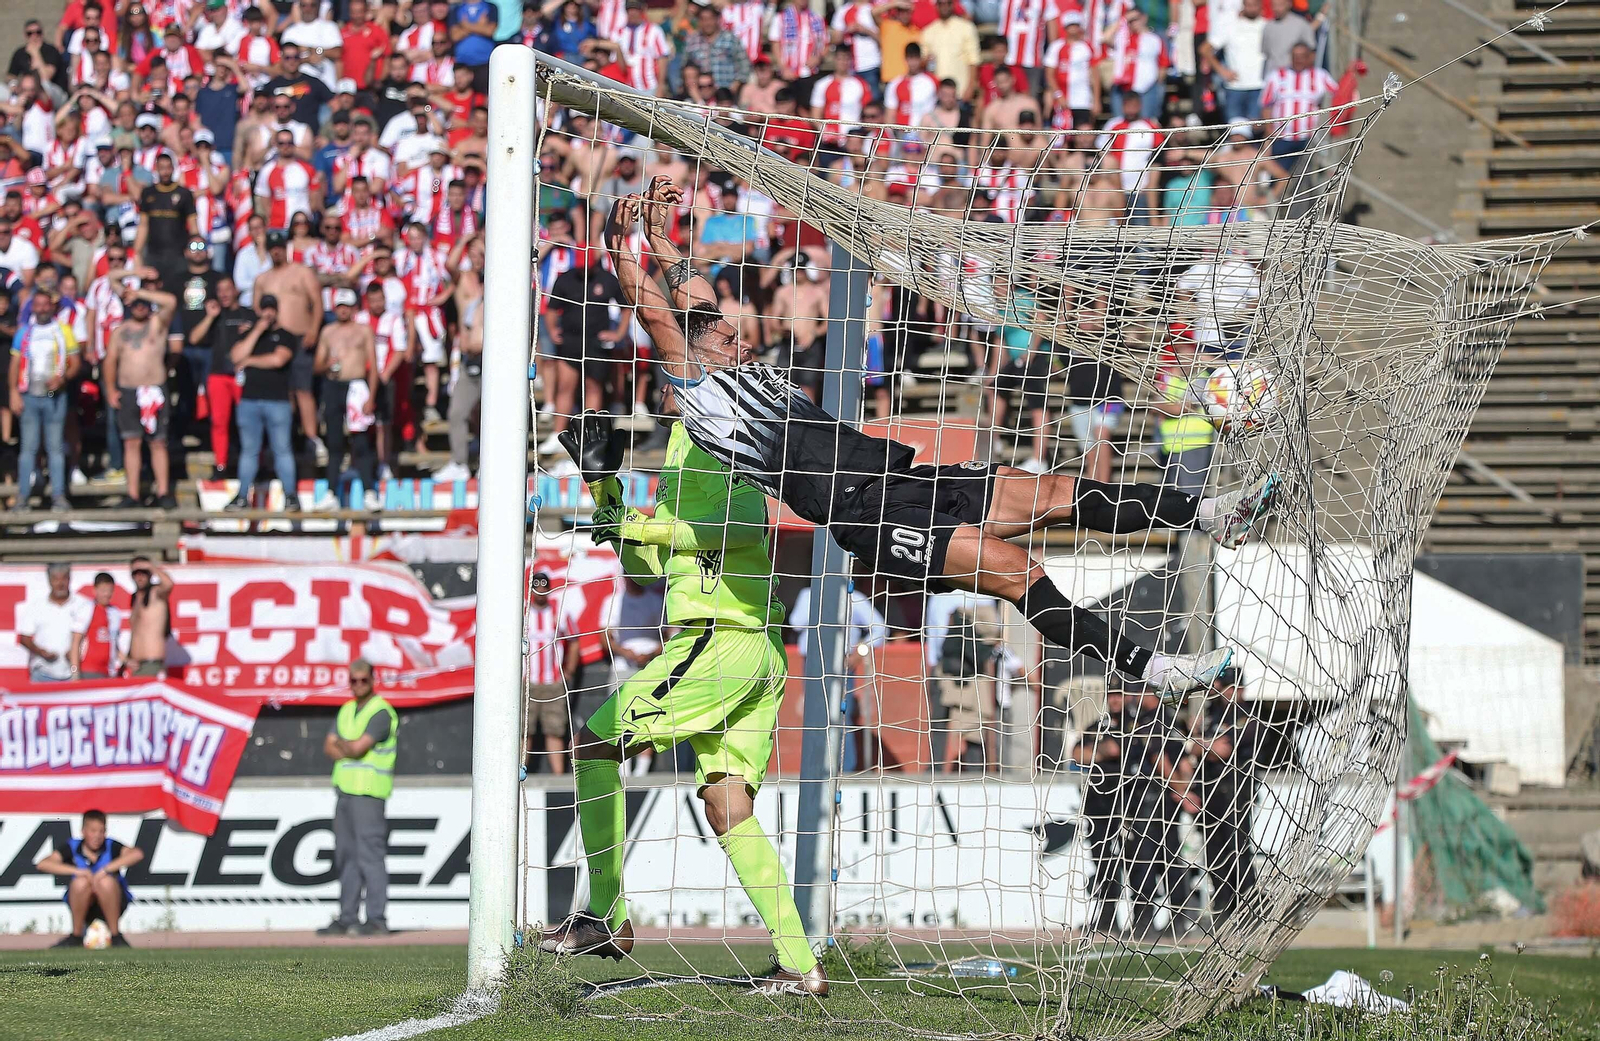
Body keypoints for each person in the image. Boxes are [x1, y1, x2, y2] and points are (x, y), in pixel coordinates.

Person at [605, 179, 1275, 700]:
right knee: (1022, 574)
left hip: (897, 479)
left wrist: (660, 233)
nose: (736, 333)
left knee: (1052, 493)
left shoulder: (734, 366)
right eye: (722, 335)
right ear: (691, 356)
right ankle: (1153, 667)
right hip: (866, 515)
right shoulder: (701, 396)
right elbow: (661, 314)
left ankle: (1212, 514)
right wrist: (620, 240)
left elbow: (688, 299)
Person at [541, 406, 827, 998]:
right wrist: (606, 492)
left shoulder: (723, 439)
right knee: (727, 806)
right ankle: (801, 964)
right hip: (750, 649)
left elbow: (745, 530)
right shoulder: (677, 447)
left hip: (720, 639)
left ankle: (605, 915)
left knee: (595, 740)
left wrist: (649, 528)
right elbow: (647, 570)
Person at [319, 658, 398, 936]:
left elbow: (354, 749)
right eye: (354, 680)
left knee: (370, 856)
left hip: (369, 794)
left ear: (373, 680)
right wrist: (346, 746)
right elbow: (328, 747)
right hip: (345, 793)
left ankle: (377, 918)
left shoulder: (380, 712)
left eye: (364, 680)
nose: (358, 685)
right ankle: (348, 916)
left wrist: (343, 745)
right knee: (346, 856)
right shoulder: (346, 710)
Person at [1180, 666, 1263, 922]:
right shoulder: (1211, 714)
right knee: (1214, 852)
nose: (1225, 693)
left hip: (1235, 789)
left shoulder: (1246, 715)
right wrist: (1203, 744)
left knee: (1237, 849)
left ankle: (1251, 908)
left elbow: (1223, 750)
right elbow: (1199, 746)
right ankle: (1225, 906)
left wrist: (1198, 743)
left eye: (1229, 688)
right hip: (1209, 789)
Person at [102, 280, 180, 509]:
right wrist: (110, 389)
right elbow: (110, 361)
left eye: (143, 303)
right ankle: (133, 494)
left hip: (154, 390)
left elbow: (171, 302)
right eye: (136, 303)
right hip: (128, 391)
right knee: (131, 442)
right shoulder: (120, 331)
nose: (140, 307)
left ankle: (164, 491)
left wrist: (141, 292)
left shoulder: (158, 323)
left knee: (158, 443)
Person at [252, 230, 325, 461]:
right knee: (282, 394)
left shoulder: (302, 273)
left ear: (286, 248)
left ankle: (312, 437)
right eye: (272, 248)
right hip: (275, 340)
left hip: (300, 336)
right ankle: (284, 439)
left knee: (303, 390)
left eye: (279, 247)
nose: (276, 251)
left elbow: (317, 303)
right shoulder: (263, 279)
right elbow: (257, 310)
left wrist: (313, 329)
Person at [9, 284, 81, 512]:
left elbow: (75, 362)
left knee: (55, 447)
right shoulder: (24, 332)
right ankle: (22, 497)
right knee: (28, 448)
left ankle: (59, 495)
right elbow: (14, 364)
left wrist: (63, 378)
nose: (41, 309)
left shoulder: (63, 331)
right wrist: (13, 391)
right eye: (37, 305)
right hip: (29, 395)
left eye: (45, 304)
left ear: (52, 307)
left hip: (55, 395)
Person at [226, 294, 301, 511]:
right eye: (264, 309)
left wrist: (249, 361)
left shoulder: (286, 335)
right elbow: (235, 356)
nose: (268, 313)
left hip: (277, 401)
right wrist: (257, 330)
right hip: (249, 401)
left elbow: (279, 359)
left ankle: (290, 497)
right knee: (249, 450)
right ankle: (241, 497)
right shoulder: (251, 334)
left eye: (272, 309)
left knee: (282, 450)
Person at [34, 809, 145, 948]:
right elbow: (43, 864)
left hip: (113, 902)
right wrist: (78, 871)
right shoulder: (72, 847)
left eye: (101, 831)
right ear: (83, 831)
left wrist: (105, 870)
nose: (97, 836)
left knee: (105, 881)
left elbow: (137, 854)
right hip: (83, 903)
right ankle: (76, 936)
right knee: (80, 882)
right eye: (93, 831)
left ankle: (116, 936)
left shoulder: (111, 846)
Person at [312, 289, 379, 509]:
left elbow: (373, 365)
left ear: (353, 308)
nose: (342, 310)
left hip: (357, 385)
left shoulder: (363, 331)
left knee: (360, 442)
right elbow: (317, 365)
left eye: (346, 306)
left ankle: (370, 491)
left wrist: (371, 395)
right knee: (334, 442)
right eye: (339, 306)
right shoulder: (328, 332)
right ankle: (331, 492)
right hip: (334, 385)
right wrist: (327, 364)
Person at [524, 570, 580, 775]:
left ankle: (558, 778)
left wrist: (569, 670)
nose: (540, 593)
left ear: (549, 590)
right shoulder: (521, 614)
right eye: (536, 589)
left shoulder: (559, 612)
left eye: (543, 589)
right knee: (523, 732)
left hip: (553, 682)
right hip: (525, 682)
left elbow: (574, 642)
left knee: (554, 730)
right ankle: (518, 775)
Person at [17, 563, 93, 683]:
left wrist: (75, 653)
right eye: (55, 579)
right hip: (42, 674)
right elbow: (24, 638)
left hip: (72, 673)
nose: (60, 583)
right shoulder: (36, 606)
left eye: (64, 578)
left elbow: (90, 635)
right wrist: (41, 652)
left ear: (69, 580)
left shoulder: (82, 604)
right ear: (49, 581)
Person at [124, 556, 172, 677]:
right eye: (136, 573)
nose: (139, 577)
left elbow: (169, 584)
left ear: (150, 574)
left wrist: (150, 566)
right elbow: (136, 633)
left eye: (143, 573)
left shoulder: (155, 593)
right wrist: (128, 659)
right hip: (136, 665)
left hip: (152, 663)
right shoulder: (135, 598)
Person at [71, 572, 123, 679]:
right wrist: (75, 672)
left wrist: (127, 661)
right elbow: (76, 641)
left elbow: (114, 644)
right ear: (94, 590)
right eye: (103, 590)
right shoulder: (87, 609)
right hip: (89, 670)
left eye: (110, 590)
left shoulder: (115, 613)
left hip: (108, 672)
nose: (107, 594)